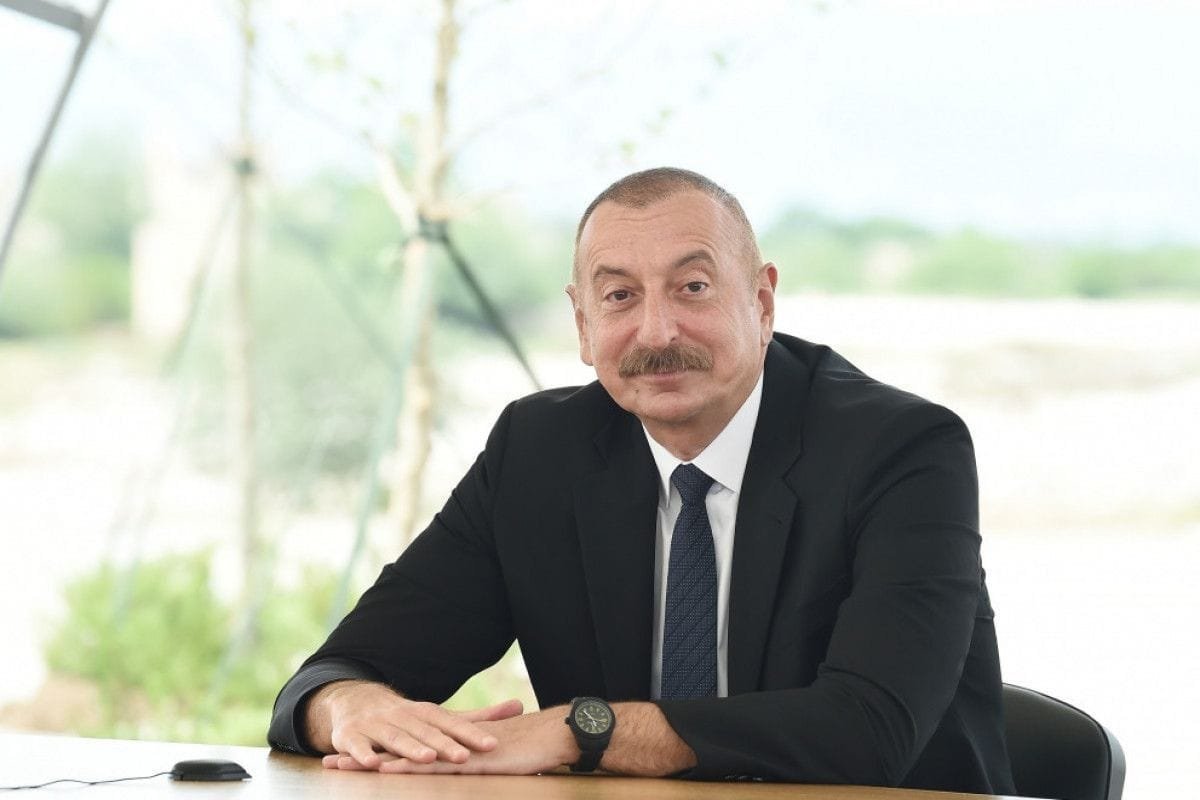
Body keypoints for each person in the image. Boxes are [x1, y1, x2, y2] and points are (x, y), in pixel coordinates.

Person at [268, 167, 1015, 794]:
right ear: (583, 325)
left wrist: (580, 731)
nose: (657, 333)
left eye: (692, 287)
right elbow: (335, 673)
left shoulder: (902, 450)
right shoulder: (538, 453)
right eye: (620, 296)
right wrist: (349, 707)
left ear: (760, 303)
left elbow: (868, 730)